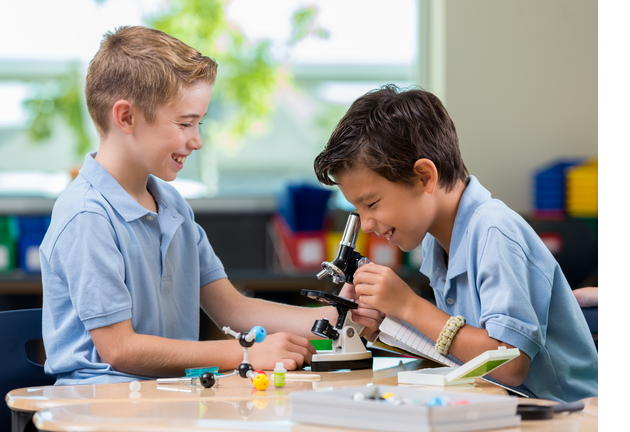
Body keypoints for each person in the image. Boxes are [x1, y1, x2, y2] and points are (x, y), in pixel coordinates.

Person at [40, 26, 382, 385]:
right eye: (185, 123)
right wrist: (246, 354)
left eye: (199, 123)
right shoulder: (87, 216)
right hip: (100, 405)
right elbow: (121, 349)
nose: (197, 140)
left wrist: (336, 318)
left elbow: (233, 309)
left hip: (166, 397)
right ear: (126, 117)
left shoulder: (171, 205)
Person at [312, 84, 597, 403]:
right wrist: (387, 321)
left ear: (424, 177)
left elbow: (509, 363)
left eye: (372, 204)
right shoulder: (438, 241)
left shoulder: (494, 231)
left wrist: (409, 306)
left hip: (573, 414)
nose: (366, 224)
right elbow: (465, 350)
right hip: (512, 406)